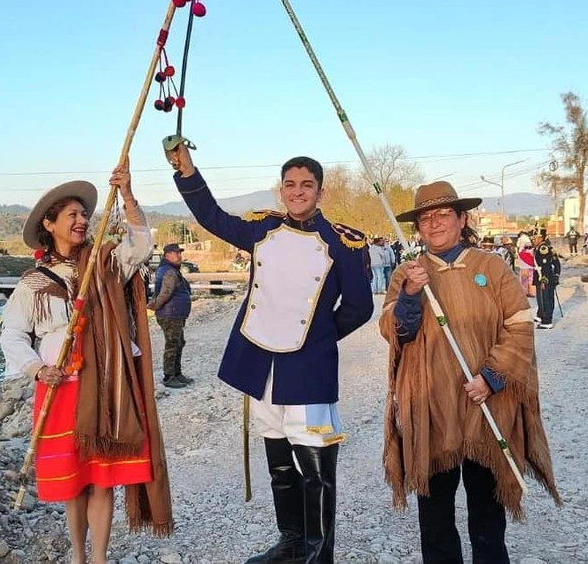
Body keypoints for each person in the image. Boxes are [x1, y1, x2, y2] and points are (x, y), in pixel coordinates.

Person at [166, 143, 373, 564]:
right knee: (278, 460)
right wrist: (188, 172)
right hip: (261, 363)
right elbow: (212, 218)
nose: (298, 192)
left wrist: (318, 336)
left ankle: (318, 554)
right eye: (290, 184)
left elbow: (359, 306)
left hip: (308, 367)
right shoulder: (263, 229)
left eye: (307, 185)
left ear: (321, 192)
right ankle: (292, 541)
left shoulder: (344, 243)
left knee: (316, 470)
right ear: (281, 189)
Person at [378, 181, 560, 564]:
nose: (435, 224)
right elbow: (394, 332)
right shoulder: (409, 273)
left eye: (444, 214)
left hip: (488, 408)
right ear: (418, 228)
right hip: (433, 410)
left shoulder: (491, 267)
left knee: (487, 517)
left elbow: (520, 326)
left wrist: (492, 377)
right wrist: (410, 294)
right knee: (436, 518)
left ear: (462, 219)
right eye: (426, 218)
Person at [0, 164, 173, 564]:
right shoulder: (33, 283)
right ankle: (78, 556)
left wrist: (128, 196)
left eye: (83, 214)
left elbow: (142, 246)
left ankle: (98, 559)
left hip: (105, 385)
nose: (81, 221)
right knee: (74, 484)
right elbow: (11, 335)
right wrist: (37, 369)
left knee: (102, 480)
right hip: (61, 390)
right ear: (50, 223)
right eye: (72, 215)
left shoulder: (106, 263)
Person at [148, 242, 193, 389]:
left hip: (175, 313)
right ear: (167, 255)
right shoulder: (169, 271)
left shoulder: (171, 270)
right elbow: (165, 293)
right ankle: (169, 376)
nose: (179, 255)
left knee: (179, 342)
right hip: (170, 314)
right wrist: (154, 306)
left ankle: (177, 373)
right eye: (176, 253)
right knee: (172, 344)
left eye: (180, 253)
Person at [533, 229, 561, 329]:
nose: (534, 240)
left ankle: (547, 321)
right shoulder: (547, 247)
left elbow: (545, 266)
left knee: (545, 299)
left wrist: (544, 281)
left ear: (541, 238)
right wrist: (556, 276)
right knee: (544, 299)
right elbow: (557, 264)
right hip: (549, 277)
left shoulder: (543, 248)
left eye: (535, 238)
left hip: (544, 278)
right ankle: (541, 316)